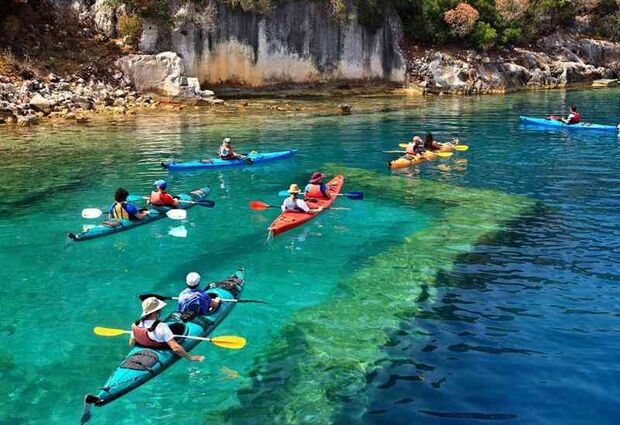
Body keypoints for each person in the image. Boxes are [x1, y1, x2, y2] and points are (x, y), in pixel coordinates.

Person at [129, 296, 204, 362]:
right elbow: (175, 348)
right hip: (162, 348)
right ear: (157, 311)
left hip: (145, 347)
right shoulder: (162, 327)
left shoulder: (136, 324)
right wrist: (191, 358)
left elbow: (131, 343)